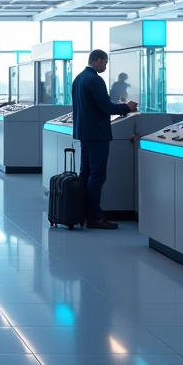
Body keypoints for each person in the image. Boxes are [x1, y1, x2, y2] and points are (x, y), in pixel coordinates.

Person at [72, 49, 138, 230]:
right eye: (105, 63)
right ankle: (94, 216)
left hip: (84, 132)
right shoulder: (95, 79)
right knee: (98, 175)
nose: (105, 66)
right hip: (97, 134)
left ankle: (82, 213)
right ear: (99, 60)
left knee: (85, 173)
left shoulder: (79, 78)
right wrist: (128, 107)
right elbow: (106, 107)